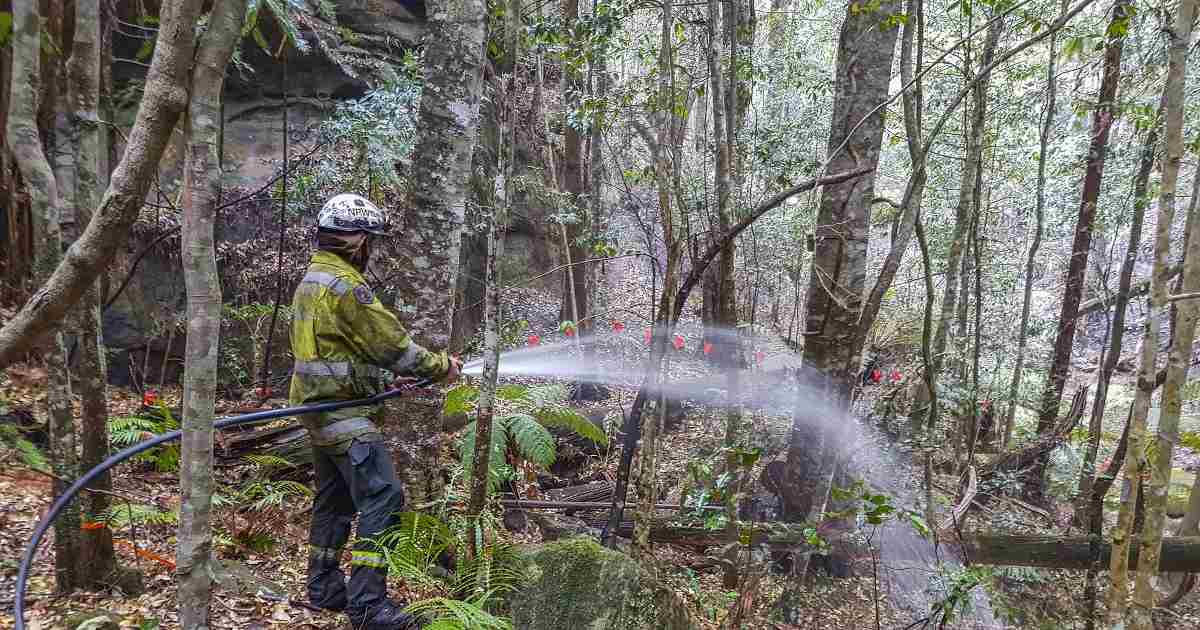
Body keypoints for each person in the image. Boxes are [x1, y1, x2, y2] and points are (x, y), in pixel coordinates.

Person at [289, 193, 461, 630]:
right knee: (384, 494)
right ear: (356, 239)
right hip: (341, 415)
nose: (371, 249)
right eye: (370, 240)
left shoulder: (313, 278)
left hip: (319, 406)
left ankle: (324, 588)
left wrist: (383, 385)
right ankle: (367, 605)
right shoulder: (347, 285)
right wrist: (442, 367)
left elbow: (335, 353)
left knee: (335, 500)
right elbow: (393, 346)